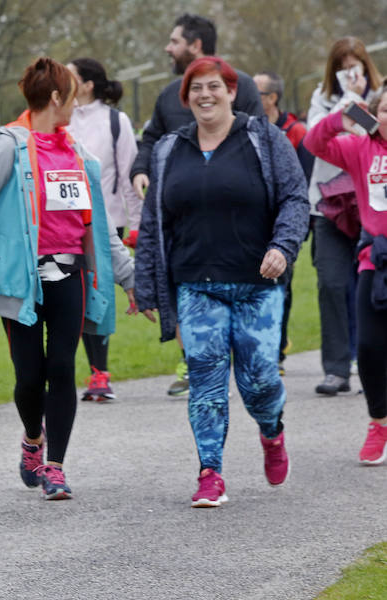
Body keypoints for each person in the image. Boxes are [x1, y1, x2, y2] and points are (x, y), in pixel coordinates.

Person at [134, 57, 309, 507]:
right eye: (196, 89)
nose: (205, 95)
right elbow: (154, 222)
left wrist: (282, 248)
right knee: (206, 380)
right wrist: (149, 284)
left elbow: (294, 199)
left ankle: (271, 431)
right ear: (186, 97)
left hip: (257, 283)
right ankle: (210, 472)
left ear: (232, 92)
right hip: (196, 285)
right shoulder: (169, 148)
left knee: (259, 381)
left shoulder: (262, 138)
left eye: (214, 87)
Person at [0, 57, 115, 500]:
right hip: (22, 281)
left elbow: (99, 233)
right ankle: (32, 439)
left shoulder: (79, 155)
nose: (78, 103)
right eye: (73, 95)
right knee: (29, 376)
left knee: (62, 367)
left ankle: (56, 467)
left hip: (69, 276)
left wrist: (132, 278)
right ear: (57, 98)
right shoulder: (8, 146)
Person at [128, 13, 264, 398]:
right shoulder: (170, 94)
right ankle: (195, 364)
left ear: (195, 46)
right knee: (184, 286)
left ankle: (244, 361)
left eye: (174, 41)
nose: (168, 48)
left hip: (233, 218)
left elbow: (261, 143)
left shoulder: (244, 87)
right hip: (180, 214)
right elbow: (150, 138)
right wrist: (141, 169)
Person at [305, 84, 387, 465]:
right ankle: (379, 423)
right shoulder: (361, 150)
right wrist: (343, 117)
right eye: (384, 110)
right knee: (369, 348)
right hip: (376, 261)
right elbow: (314, 143)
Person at [305, 37, 382, 396]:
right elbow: (316, 138)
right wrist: (348, 100)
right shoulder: (320, 101)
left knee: (373, 290)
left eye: (357, 65)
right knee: (332, 284)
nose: (351, 72)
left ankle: (373, 366)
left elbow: (370, 131)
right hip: (330, 206)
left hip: (371, 206)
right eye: (343, 66)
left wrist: (363, 100)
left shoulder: (381, 98)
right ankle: (336, 368)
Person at [66, 57, 140, 402]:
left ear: (88, 84)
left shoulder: (115, 121)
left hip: (108, 219)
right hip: (68, 223)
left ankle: (100, 371)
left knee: (100, 295)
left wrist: (137, 225)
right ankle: (93, 370)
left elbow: (129, 176)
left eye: (71, 75)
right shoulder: (62, 118)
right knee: (80, 298)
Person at [254, 71, 315, 376]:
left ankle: (276, 351)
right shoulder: (245, 128)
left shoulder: (296, 132)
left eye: (256, 92)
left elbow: (301, 186)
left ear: (272, 98)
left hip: (284, 225)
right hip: (252, 224)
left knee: (282, 287)